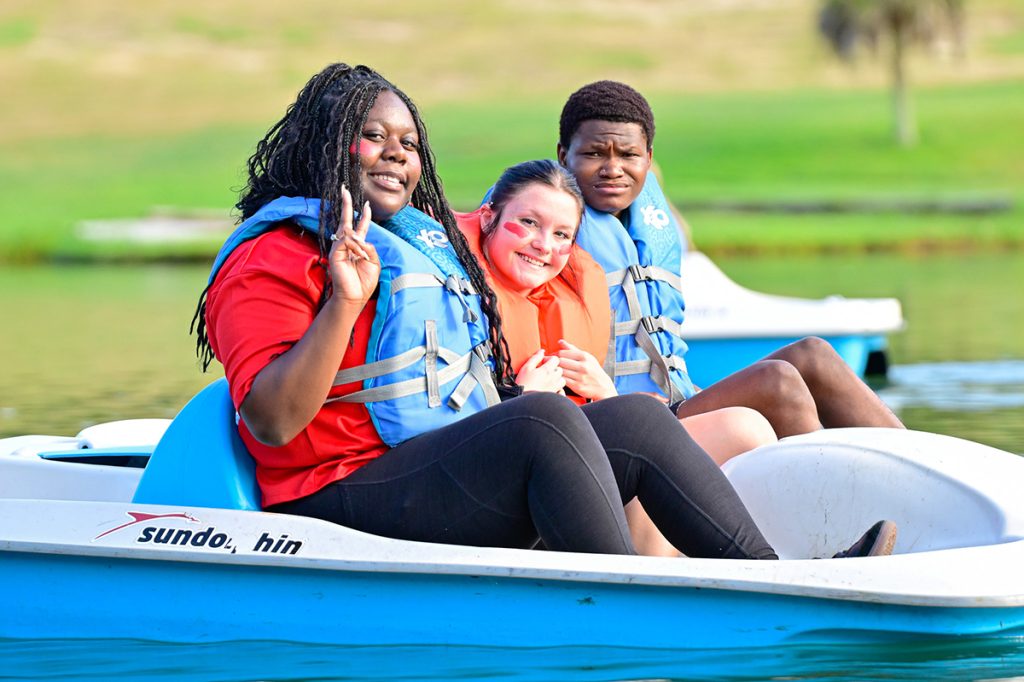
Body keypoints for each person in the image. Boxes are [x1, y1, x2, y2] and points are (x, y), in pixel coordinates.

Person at [192, 62, 843, 560]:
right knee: (541, 422)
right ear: (325, 142)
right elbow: (272, 423)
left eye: (408, 142)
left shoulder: (403, 247)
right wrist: (344, 301)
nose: (396, 153)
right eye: (372, 137)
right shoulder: (272, 258)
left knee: (637, 417)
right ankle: (627, 613)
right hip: (329, 491)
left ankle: (772, 579)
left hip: (426, 462)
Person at [556, 80, 905, 441]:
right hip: (619, 415)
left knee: (814, 354)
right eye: (595, 154)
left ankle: (922, 465)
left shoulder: (646, 218)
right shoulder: (548, 229)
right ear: (564, 156)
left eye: (628, 155)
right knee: (777, 382)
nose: (613, 168)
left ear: (648, 158)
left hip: (677, 399)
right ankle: (828, 491)